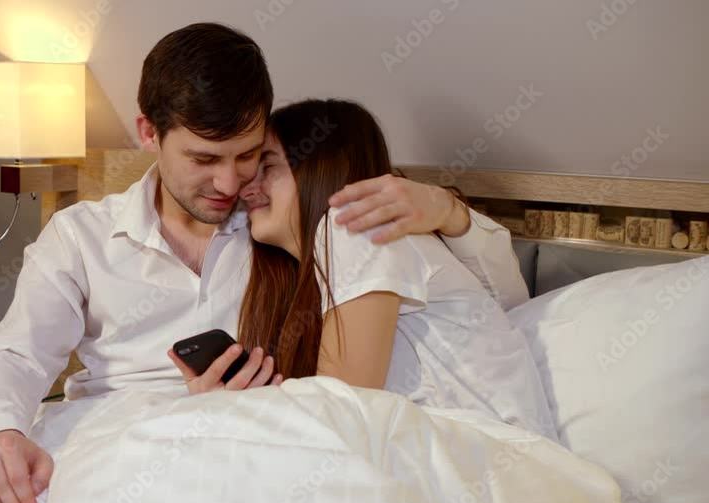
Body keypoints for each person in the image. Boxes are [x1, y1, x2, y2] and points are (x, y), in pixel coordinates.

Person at [0, 23, 529, 503]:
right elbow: (17, 356)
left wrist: (449, 209)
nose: (230, 184)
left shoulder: (286, 229)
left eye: (249, 155)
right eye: (205, 159)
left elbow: (499, 302)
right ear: (149, 134)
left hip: (237, 448)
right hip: (101, 438)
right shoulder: (80, 235)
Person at [174, 98, 555, 440]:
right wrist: (228, 405)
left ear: (320, 169)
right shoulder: (312, 271)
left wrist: (234, 419)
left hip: (483, 455)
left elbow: (341, 409)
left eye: (268, 166)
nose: (245, 189)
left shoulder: (355, 227)